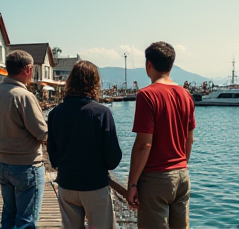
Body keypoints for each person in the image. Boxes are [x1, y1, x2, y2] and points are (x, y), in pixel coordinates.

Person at [127, 41, 196, 229]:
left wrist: (132, 184)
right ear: (171, 66)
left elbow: (144, 145)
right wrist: (181, 164)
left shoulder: (147, 95)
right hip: (182, 175)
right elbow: (189, 139)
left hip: (156, 178)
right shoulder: (186, 95)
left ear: (148, 65)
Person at [47, 60, 122, 229]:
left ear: (71, 81)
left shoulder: (55, 113)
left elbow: (52, 152)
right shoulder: (102, 113)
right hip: (94, 185)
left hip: (67, 184)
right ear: (95, 83)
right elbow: (113, 156)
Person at [0, 50, 48, 229]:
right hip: (26, 165)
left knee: (8, 216)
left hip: (3, 162)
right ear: (28, 69)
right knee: (26, 221)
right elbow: (41, 132)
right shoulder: (24, 96)